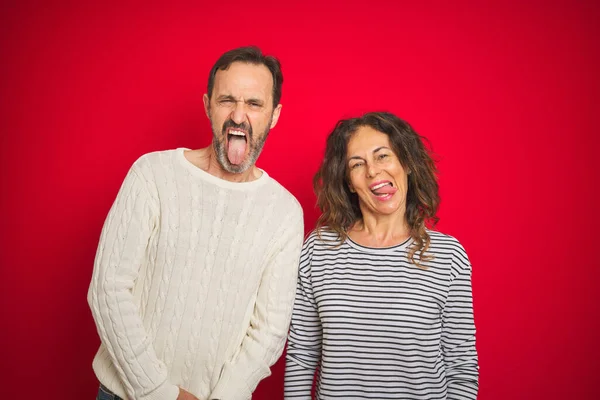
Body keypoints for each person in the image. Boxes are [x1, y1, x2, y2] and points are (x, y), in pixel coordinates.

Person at [88, 46, 304, 400]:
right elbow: (108, 289)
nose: (238, 115)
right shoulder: (152, 174)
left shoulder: (284, 212)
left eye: (254, 104)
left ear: (274, 115)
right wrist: (160, 392)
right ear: (207, 105)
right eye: (227, 100)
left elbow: (270, 330)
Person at [284, 112, 479, 399]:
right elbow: (301, 356)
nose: (373, 171)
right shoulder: (318, 249)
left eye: (383, 156)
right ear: (349, 182)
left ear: (407, 164)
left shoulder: (448, 256)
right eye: (357, 164)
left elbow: (461, 367)